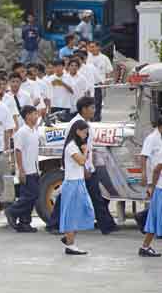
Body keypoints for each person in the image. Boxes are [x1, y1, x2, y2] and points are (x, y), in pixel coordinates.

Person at [46, 96, 118, 235]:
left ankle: (105, 224)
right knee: (88, 196)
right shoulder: (77, 125)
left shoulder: (82, 123)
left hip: (85, 165)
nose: (94, 110)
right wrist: (85, 168)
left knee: (90, 196)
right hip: (80, 167)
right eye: (92, 107)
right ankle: (106, 225)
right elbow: (76, 147)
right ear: (84, 109)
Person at [59, 119, 95, 255]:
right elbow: (80, 161)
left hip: (78, 182)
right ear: (77, 131)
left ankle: (69, 237)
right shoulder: (71, 146)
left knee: (83, 210)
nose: (86, 135)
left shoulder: (76, 145)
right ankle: (70, 244)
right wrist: (85, 152)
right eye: (84, 133)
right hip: (72, 183)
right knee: (71, 214)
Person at [5, 105, 40, 233]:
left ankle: (25, 222)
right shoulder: (22, 132)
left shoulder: (34, 130)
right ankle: (12, 211)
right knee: (32, 195)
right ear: (27, 116)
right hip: (26, 169)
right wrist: (21, 170)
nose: (36, 116)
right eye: (34, 114)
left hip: (35, 168)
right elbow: (18, 151)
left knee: (29, 196)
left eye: (36, 114)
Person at [134, 118, 162, 233]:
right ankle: (145, 219)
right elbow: (143, 156)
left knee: (157, 204)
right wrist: (144, 174)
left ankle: (142, 217)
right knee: (157, 204)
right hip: (154, 176)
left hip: (159, 176)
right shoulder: (151, 139)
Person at [138, 150, 162, 257]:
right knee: (155, 218)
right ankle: (145, 247)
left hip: (159, 189)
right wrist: (152, 187)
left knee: (155, 218)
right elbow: (157, 169)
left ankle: (145, 247)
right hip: (160, 189)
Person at [87, 41, 112, 121]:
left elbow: (109, 71)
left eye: (93, 46)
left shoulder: (104, 58)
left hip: (100, 84)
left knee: (98, 103)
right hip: (89, 84)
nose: (91, 49)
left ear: (98, 47)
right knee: (89, 103)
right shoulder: (87, 57)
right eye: (90, 47)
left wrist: (107, 83)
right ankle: (90, 118)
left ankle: (96, 119)